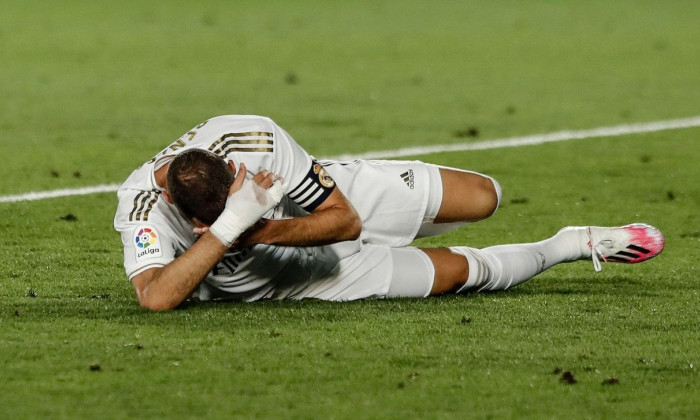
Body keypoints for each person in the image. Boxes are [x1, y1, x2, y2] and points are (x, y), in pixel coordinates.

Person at [113, 115, 665, 311]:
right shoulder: (141, 206)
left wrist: (257, 224)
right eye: (207, 225)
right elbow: (156, 296)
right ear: (177, 211)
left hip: (326, 204)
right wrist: (237, 229)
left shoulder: (252, 137)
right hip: (274, 281)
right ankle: (568, 244)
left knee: (484, 197)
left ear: (232, 168)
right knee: (459, 274)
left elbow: (344, 221)